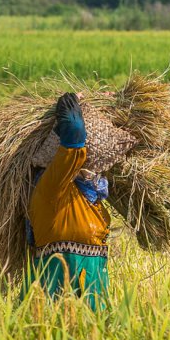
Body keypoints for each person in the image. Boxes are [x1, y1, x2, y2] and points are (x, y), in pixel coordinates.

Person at [24, 92, 111, 311]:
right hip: (54, 290)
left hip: (92, 292)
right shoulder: (53, 186)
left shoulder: (91, 195)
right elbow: (73, 138)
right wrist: (70, 102)